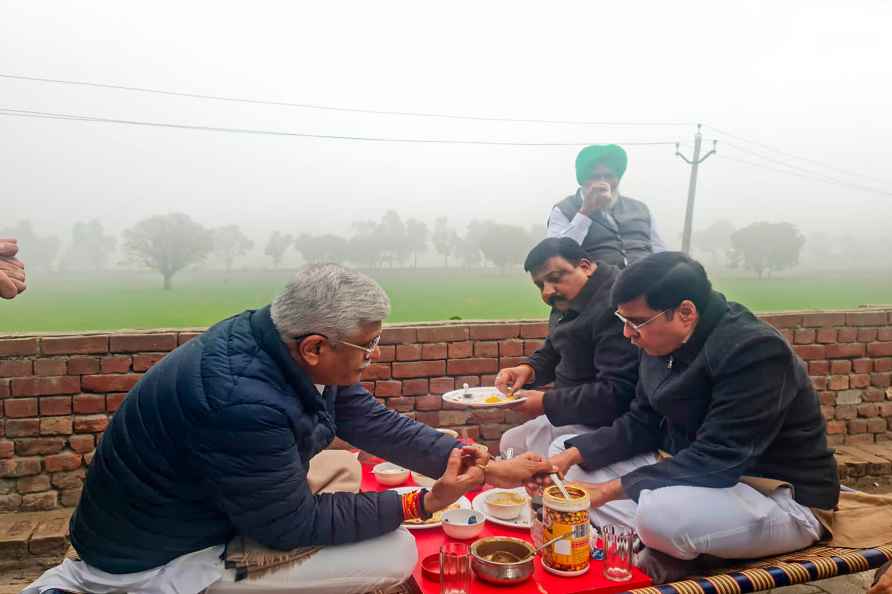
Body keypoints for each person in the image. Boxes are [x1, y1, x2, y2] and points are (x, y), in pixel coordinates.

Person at [25, 264, 552, 594]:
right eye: (367, 347)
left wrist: (480, 464)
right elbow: (289, 527)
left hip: (184, 509)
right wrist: (425, 503)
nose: (372, 358)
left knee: (342, 465)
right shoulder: (243, 403)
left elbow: (368, 419)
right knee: (398, 552)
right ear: (315, 347)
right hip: (152, 557)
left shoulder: (272, 339)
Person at [544, 252, 839, 571]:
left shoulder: (754, 350)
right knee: (565, 457)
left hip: (778, 495)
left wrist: (607, 492)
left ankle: (668, 540)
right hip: (698, 481)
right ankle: (671, 541)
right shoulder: (659, 340)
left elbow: (720, 459)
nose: (628, 334)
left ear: (685, 312)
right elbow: (642, 423)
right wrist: (571, 457)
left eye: (636, 322)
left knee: (662, 515)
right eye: (623, 321)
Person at [495, 238, 639, 457]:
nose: (547, 292)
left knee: (554, 456)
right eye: (540, 285)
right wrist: (528, 370)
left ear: (585, 266)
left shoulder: (616, 306)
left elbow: (617, 392)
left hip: (612, 422)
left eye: (554, 278)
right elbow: (555, 348)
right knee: (511, 444)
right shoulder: (567, 298)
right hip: (572, 412)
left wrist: (546, 403)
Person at [547, 144, 666, 267]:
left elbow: (660, 252)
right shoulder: (564, 209)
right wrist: (585, 212)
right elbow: (555, 257)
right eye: (595, 177)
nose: (602, 182)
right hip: (599, 283)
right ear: (582, 180)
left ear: (618, 179)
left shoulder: (641, 209)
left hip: (646, 280)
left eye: (609, 176)